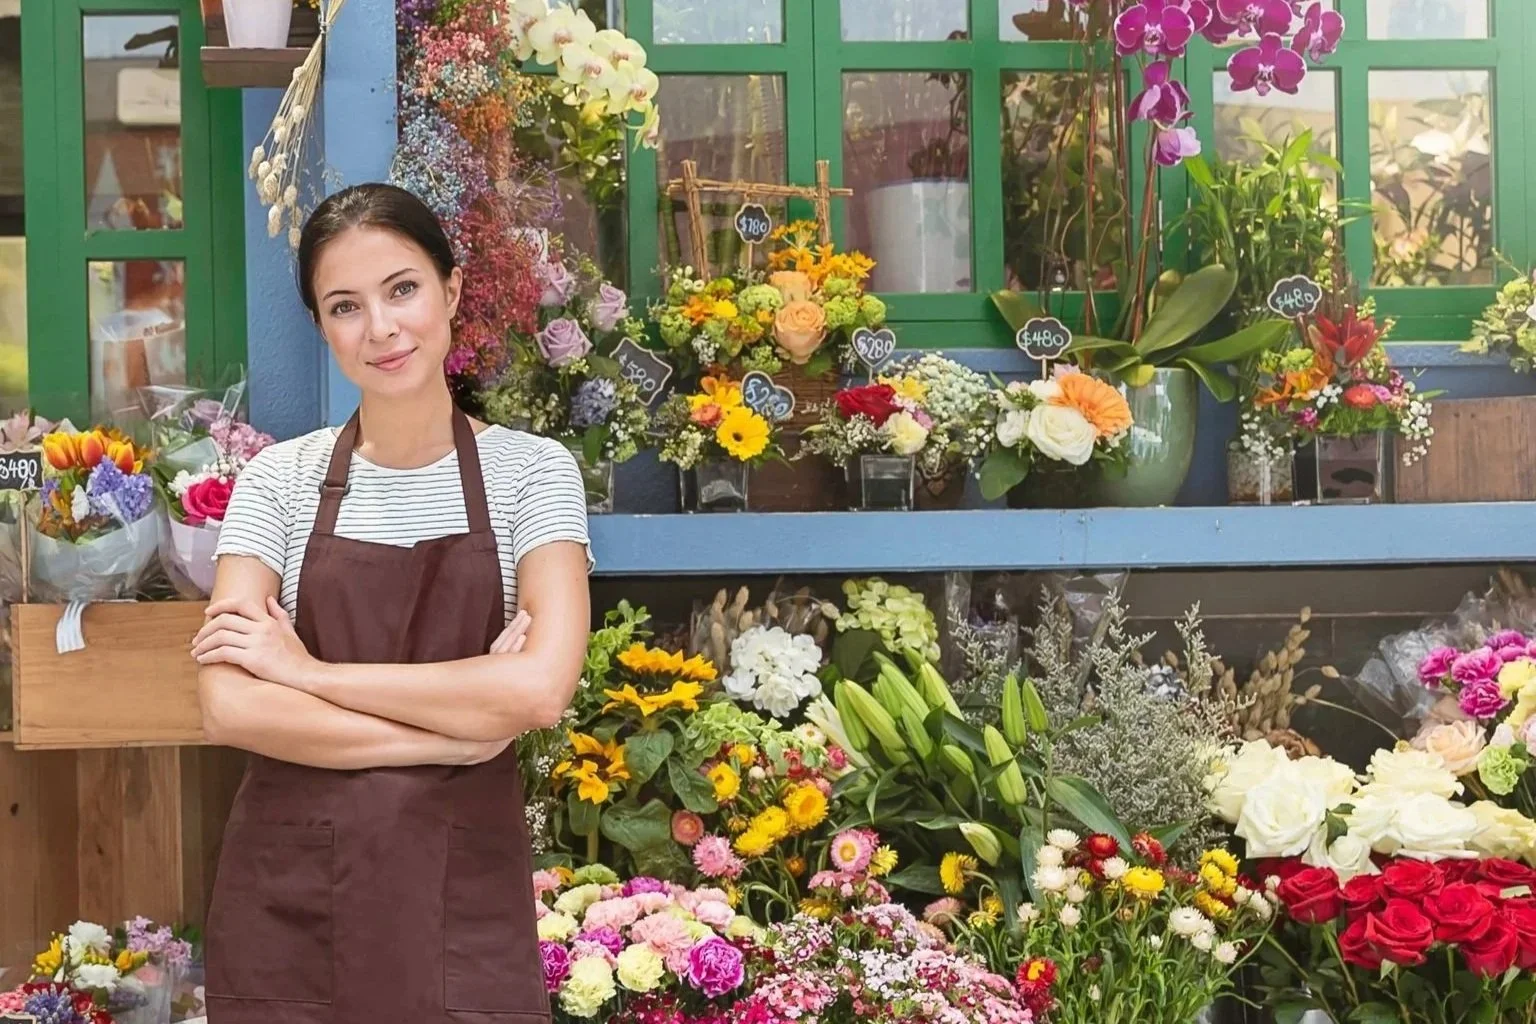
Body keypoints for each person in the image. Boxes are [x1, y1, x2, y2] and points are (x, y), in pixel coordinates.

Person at [192, 182, 590, 1023]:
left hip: (462, 905)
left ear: (450, 290)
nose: (381, 328)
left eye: (402, 288)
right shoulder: (279, 481)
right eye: (345, 305)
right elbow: (229, 705)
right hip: (290, 908)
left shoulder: (534, 474)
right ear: (321, 326)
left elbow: (539, 691)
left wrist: (307, 675)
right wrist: (464, 726)